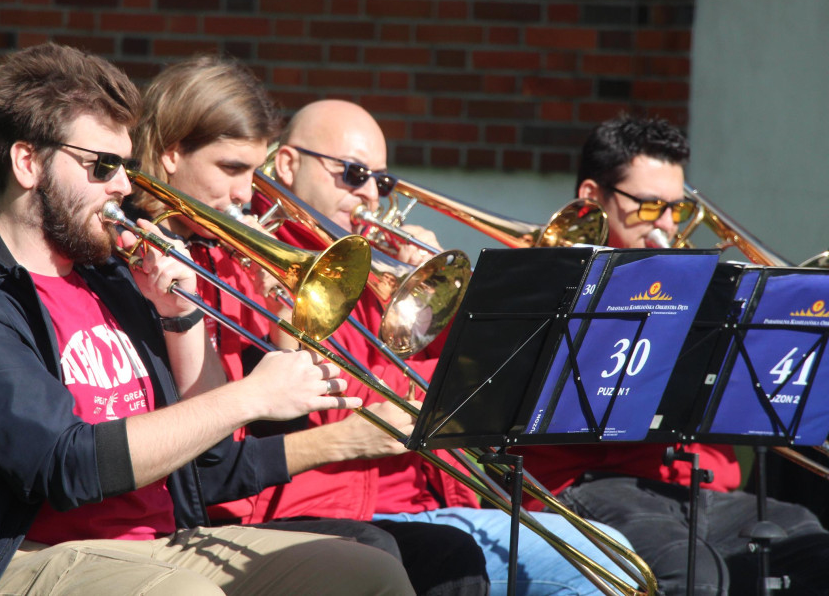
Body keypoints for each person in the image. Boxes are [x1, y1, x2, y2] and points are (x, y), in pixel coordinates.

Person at [0, 43, 418, 596]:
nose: (124, 184)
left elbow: (210, 455)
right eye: (103, 166)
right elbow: (64, 466)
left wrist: (181, 317)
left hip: (160, 542)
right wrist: (252, 397)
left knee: (368, 573)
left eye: (126, 165)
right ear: (27, 163)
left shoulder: (112, 275)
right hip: (10, 558)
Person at [129, 54, 491, 596]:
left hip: (294, 489)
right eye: (231, 170)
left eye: (252, 173)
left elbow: (311, 383)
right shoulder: (150, 260)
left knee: (452, 557)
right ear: (170, 154)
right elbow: (219, 443)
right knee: (378, 556)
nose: (246, 195)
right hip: (221, 505)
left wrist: (285, 312)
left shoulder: (242, 250)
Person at [261, 99, 642, 596]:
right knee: (597, 566)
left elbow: (460, 386)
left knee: (614, 555)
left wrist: (436, 298)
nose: (371, 196)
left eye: (383, 181)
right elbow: (337, 397)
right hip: (342, 511)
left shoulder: (379, 267)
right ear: (289, 165)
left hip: (426, 500)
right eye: (354, 174)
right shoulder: (268, 262)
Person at [516, 114, 829, 596]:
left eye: (676, 210)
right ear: (591, 198)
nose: (665, 225)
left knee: (808, 542)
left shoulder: (694, 291)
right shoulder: (546, 281)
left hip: (691, 490)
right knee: (694, 576)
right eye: (648, 207)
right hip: (589, 483)